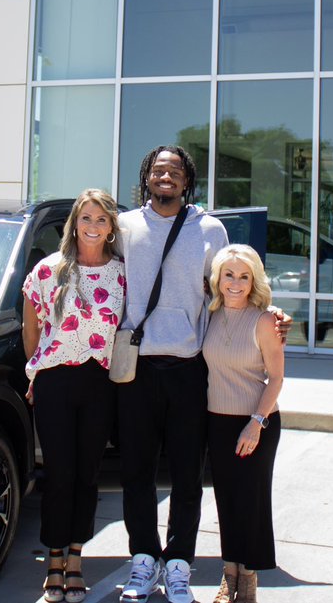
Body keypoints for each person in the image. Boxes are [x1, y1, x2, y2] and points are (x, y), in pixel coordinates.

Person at [117, 145, 289, 603]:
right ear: (147, 178)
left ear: (187, 179)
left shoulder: (209, 228)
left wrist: (269, 311)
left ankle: (178, 565)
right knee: (136, 473)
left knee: (188, 476)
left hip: (190, 371)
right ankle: (143, 561)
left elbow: (236, 282)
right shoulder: (125, 226)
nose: (166, 176)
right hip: (136, 368)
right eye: (158, 169)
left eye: (174, 170)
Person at [23, 189, 125, 603]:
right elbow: (31, 330)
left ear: (111, 227)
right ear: (75, 223)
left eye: (102, 219)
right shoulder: (50, 271)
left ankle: (77, 558)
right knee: (60, 474)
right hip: (55, 383)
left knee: (87, 474)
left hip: (99, 384)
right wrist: (38, 372)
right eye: (87, 218)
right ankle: (53, 561)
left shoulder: (121, 273)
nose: (94, 226)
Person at [203, 244, 284, 603]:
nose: (235, 283)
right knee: (226, 503)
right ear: (218, 279)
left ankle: (248, 580)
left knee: (250, 503)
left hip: (257, 423)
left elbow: (277, 378)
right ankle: (229, 576)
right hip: (217, 421)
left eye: (244, 276)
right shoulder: (209, 314)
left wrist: (256, 423)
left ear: (254, 281)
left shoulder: (265, 320)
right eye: (229, 275)